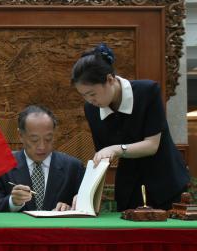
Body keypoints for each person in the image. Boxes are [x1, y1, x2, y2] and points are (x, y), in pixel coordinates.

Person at [71, 43, 190, 211]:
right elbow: (102, 157)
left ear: (110, 80)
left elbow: (152, 145)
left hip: (166, 181)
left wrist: (116, 149)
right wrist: (85, 195)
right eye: (84, 96)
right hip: (129, 186)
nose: (90, 100)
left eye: (92, 94)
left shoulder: (147, 92)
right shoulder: (91, 109)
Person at [0, 105, 85, 212]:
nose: (42, 146)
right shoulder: (1, 165)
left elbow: (87, 208)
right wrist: (12, 202)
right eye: (34, 140)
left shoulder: (73, 167)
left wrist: (71, 208)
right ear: (21, 135)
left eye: (48, 139)